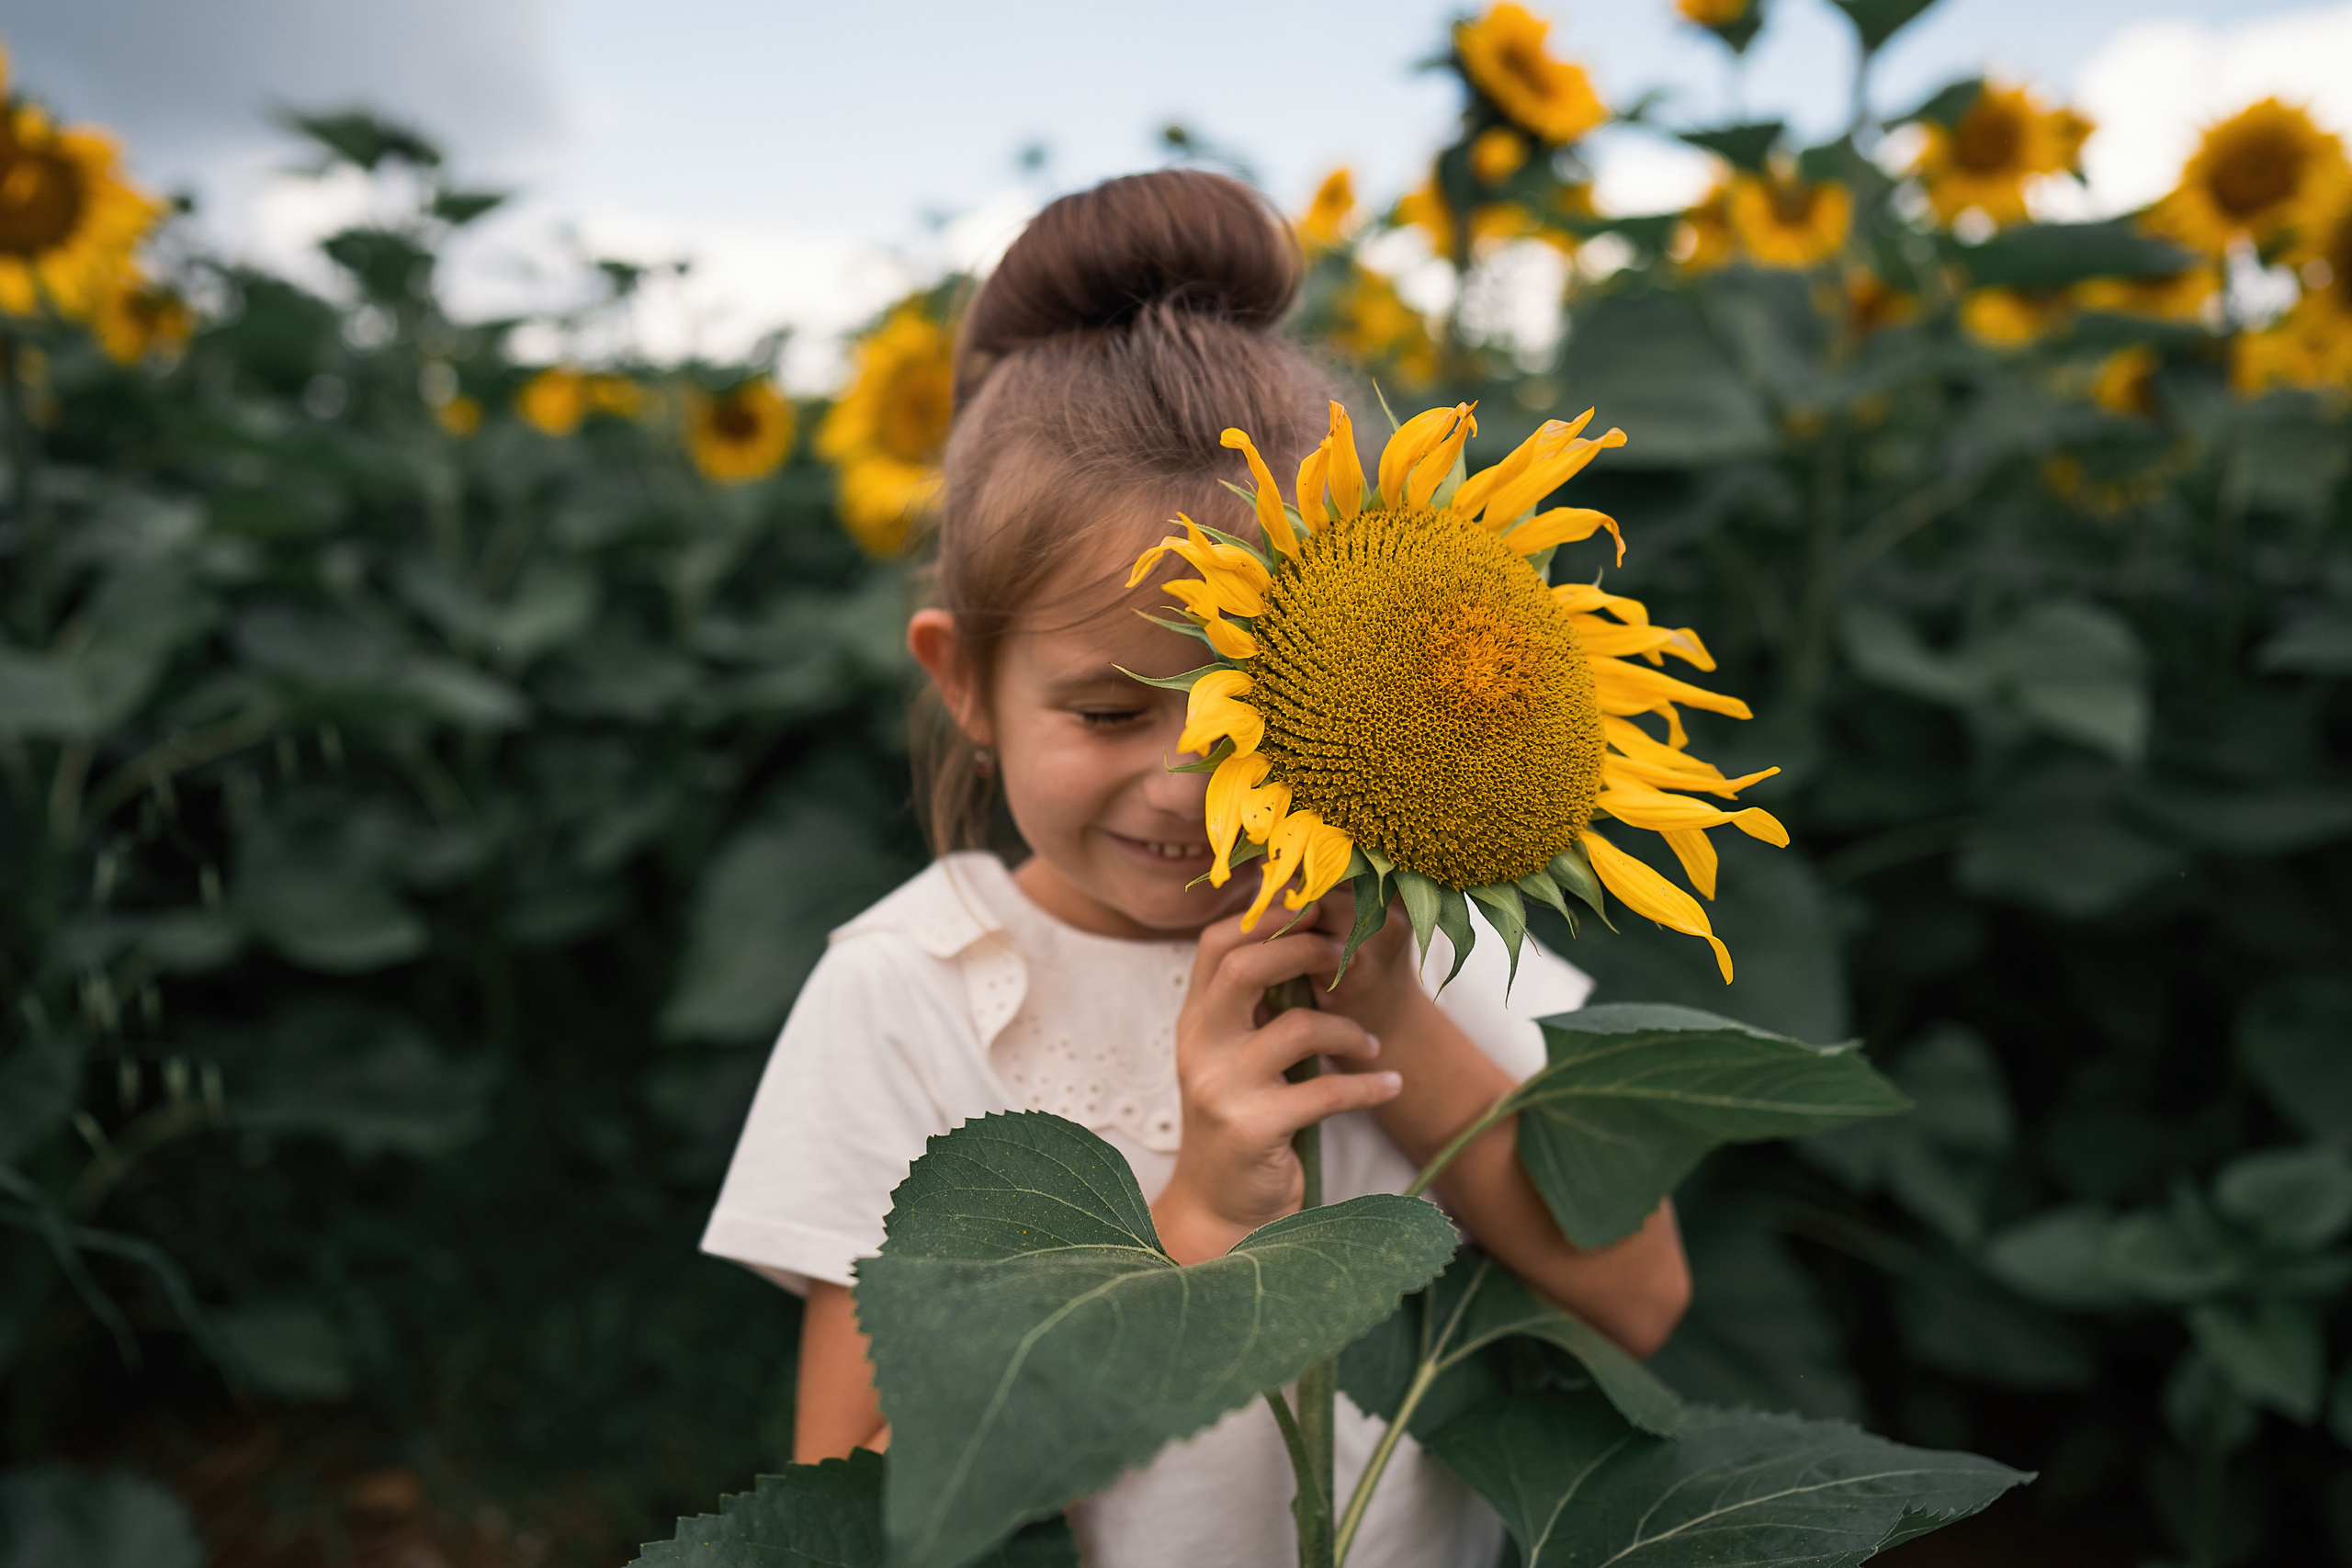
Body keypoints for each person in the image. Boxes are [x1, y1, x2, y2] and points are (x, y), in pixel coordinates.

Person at [701, 168, 1690, 1568]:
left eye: (1260, 701)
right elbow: (857, 1502)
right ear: (965, 683)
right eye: (1107, 711)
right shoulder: (911, 995)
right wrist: (1195, 1228)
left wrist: (1398, 1013)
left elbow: (1641, 1298)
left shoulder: (1415, 922)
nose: (1187, 782)